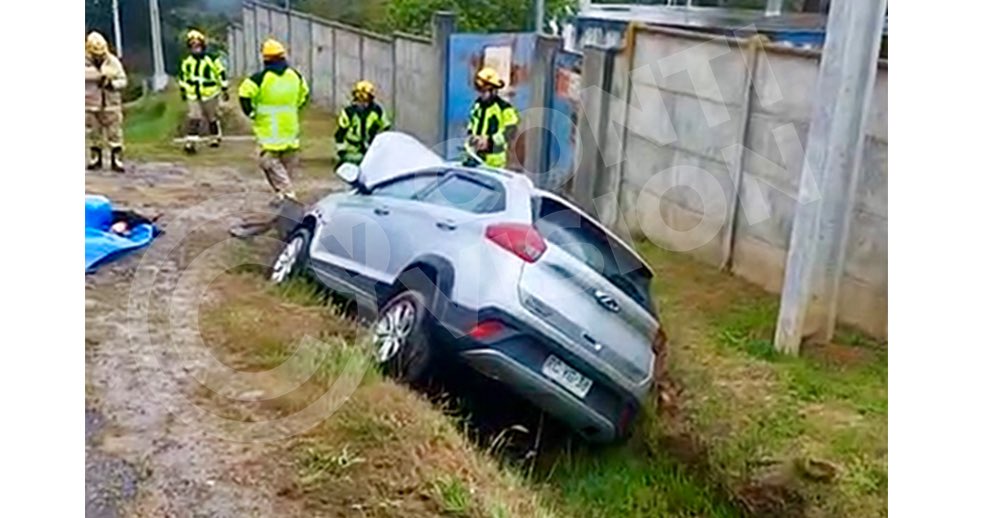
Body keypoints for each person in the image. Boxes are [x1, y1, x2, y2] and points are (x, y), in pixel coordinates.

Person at [238, 39, 310, 205]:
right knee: (285, 169)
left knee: (270, 165)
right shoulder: (296, 76)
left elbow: (244, 94)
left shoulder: (259, 79)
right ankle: (282, 196)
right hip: (290, 131)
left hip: (268, 133)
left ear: (265, 59)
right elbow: (304, 95)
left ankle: (288, 197)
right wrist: (295, 108)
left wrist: (251, 113)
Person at [178, 29, 229, 154]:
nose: (195, 48)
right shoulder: (187, 61)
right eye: (192, 46)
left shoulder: (212, 59)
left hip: (210, 93)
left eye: (198, 45)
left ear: (202, 45)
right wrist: (183, 90)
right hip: (193, 94)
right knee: (194, 117)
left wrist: (224, 88)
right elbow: (183, 76)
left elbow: (220, 73)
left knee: (211, 116)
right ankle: (191, 143)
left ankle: (214, 137)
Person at [85, 31, 128, 172]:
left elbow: (123, 80)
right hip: (90, 104)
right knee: (93, 132)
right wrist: (98, 76)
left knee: (115, 132)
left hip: (111, 104)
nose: (99, 56)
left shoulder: (113, 62)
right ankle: (95, 157)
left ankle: (117, 159)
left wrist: (112, 84)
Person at [464, 67, 520, 169]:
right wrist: (472, 138)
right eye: (480, 91)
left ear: (493, 90)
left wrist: (489, 141)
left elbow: (510, 132)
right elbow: (471, 125)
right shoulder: (477, 106)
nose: (481, 95)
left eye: (484, 91)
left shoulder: (504, 109)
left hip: (494, 162)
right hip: (475, 158)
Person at [333, 80, 391, 166]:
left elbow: (386, 127)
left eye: (365, 99)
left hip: (371, 149)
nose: (362, 102)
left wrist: (379, 144)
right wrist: (341, 149)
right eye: (359, 99)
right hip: (351, 150)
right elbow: (340, 133)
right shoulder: (348, 112)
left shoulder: (377, 111)